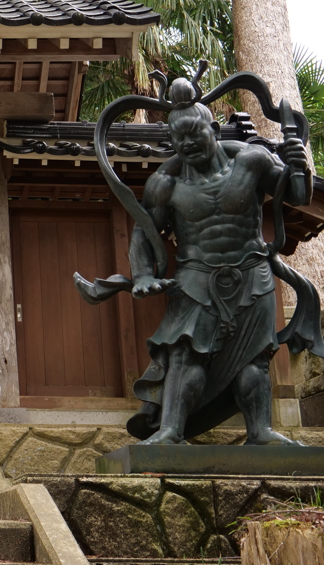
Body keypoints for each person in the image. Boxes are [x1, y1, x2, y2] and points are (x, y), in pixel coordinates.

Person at [126, 78, 311, 445]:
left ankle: (260, 431)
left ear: (212, 128)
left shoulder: (252, 161)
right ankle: (169, 430)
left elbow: (298, 195)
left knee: (254, 359)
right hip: (195, 278)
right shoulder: (164, 184)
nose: (188, 144)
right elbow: (143, 234)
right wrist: (143, 273)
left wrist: (298, 163)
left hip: (252, 272)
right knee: (184, 354)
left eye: (195, 134)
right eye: (179, 139)